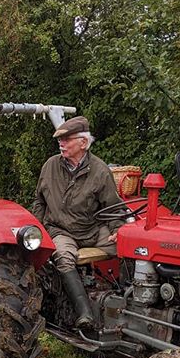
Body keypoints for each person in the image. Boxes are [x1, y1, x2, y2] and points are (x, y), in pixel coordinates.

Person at [32, 116, 124, 328]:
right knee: (64, 257)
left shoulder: (100, 171)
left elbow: (112, 206)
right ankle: (84, 313)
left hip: (90, 229)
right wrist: (38, 229)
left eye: (66, 140)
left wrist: (118, 229)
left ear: (83, 143)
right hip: (60, 229)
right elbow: (39, 200)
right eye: (60, 141)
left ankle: (122, 300)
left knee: (128, 247)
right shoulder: (50, 166)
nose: (61, 144)